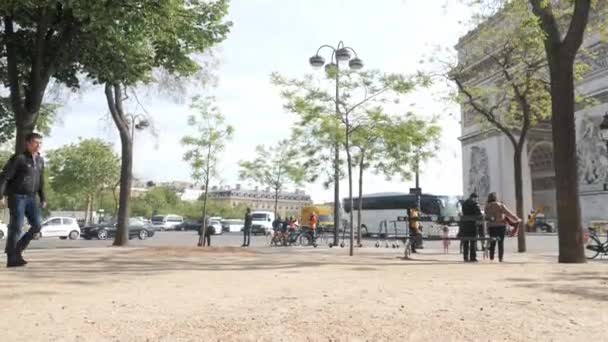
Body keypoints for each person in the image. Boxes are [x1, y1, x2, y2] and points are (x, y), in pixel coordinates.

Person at [0, 133, 46, 268]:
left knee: (38, 224)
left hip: (32, 197)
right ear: (27, 143)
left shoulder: (40, 160)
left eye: (40, 143)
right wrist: (1, 196)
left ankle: (17, 250)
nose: (38, 145)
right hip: (17, 196)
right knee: (17, 226)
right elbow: (5, 177)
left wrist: (43, 197)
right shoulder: (18, 158)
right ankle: (12, 258)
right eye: (35, 142)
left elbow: (40, 181)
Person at [485, 192, 520, 262]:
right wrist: (516, 218)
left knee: (492, 242)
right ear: (495, 198)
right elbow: (508, 213)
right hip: (501, 226)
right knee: (500, 243)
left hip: (491, 226)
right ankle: (500, 258)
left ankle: (491, 258)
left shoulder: (487, 206)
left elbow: (486, 215)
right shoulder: (500, 205)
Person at [459, 193, 482, 262]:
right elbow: (479, 213)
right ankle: (473, 257)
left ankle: (465, 257)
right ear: (474, 198)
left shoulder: (464, 203)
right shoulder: (475, 204)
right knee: (473, 241)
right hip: (473, 224)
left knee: (466, 241)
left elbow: (463, 212)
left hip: (465, 224)